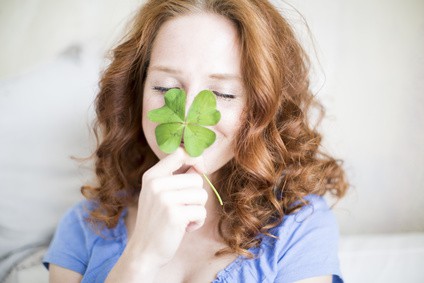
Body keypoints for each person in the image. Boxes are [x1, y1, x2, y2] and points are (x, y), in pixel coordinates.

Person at [43, 0, 349, 282]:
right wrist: (141, 258)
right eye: (165, 88)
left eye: (223, 94)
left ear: (262, 107)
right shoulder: (85, 225)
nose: (188, 111)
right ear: (137, 92)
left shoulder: (300, 226)